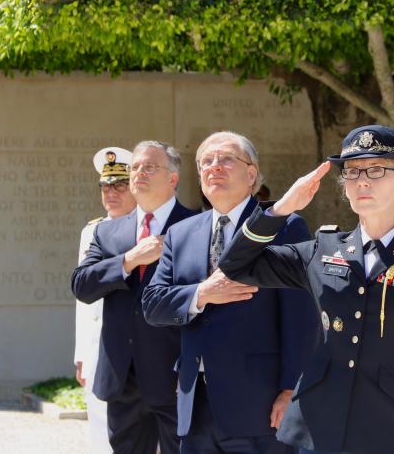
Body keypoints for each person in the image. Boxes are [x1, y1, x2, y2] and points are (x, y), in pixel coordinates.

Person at [219, 125, 394, 454]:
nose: (362, 181)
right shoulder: (321, 250)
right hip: (318, 431)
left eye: (377, 169)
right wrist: (281, 209)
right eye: (351, 172)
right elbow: (235, 265)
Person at [142, 131, 319, 454]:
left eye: (226, 159)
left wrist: (290, 388)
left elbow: (302, 319)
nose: (214, 167)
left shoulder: (284, 227)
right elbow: (153, 305)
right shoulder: (181, 234)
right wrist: (202, 293)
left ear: (251, 173)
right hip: (194, 407)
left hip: (261, 407)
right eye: (205, 162)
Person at [72, 141, 198, 454]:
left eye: (150, 167)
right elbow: (82, 286)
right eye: (136, 168)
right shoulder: (108, 232)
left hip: (176, 377)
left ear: (172, 179)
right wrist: (129, 260)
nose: (139, 173)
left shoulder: (198, 226)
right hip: (124, 382)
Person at [74, 146, 137, 454]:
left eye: (120, 185)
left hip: (133, 351)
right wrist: (81, 354)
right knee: (99, 433)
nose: (111, 192)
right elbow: (83, 302)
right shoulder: (92, 231)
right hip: (98, 349)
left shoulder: (148, 229)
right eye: (106, 185)